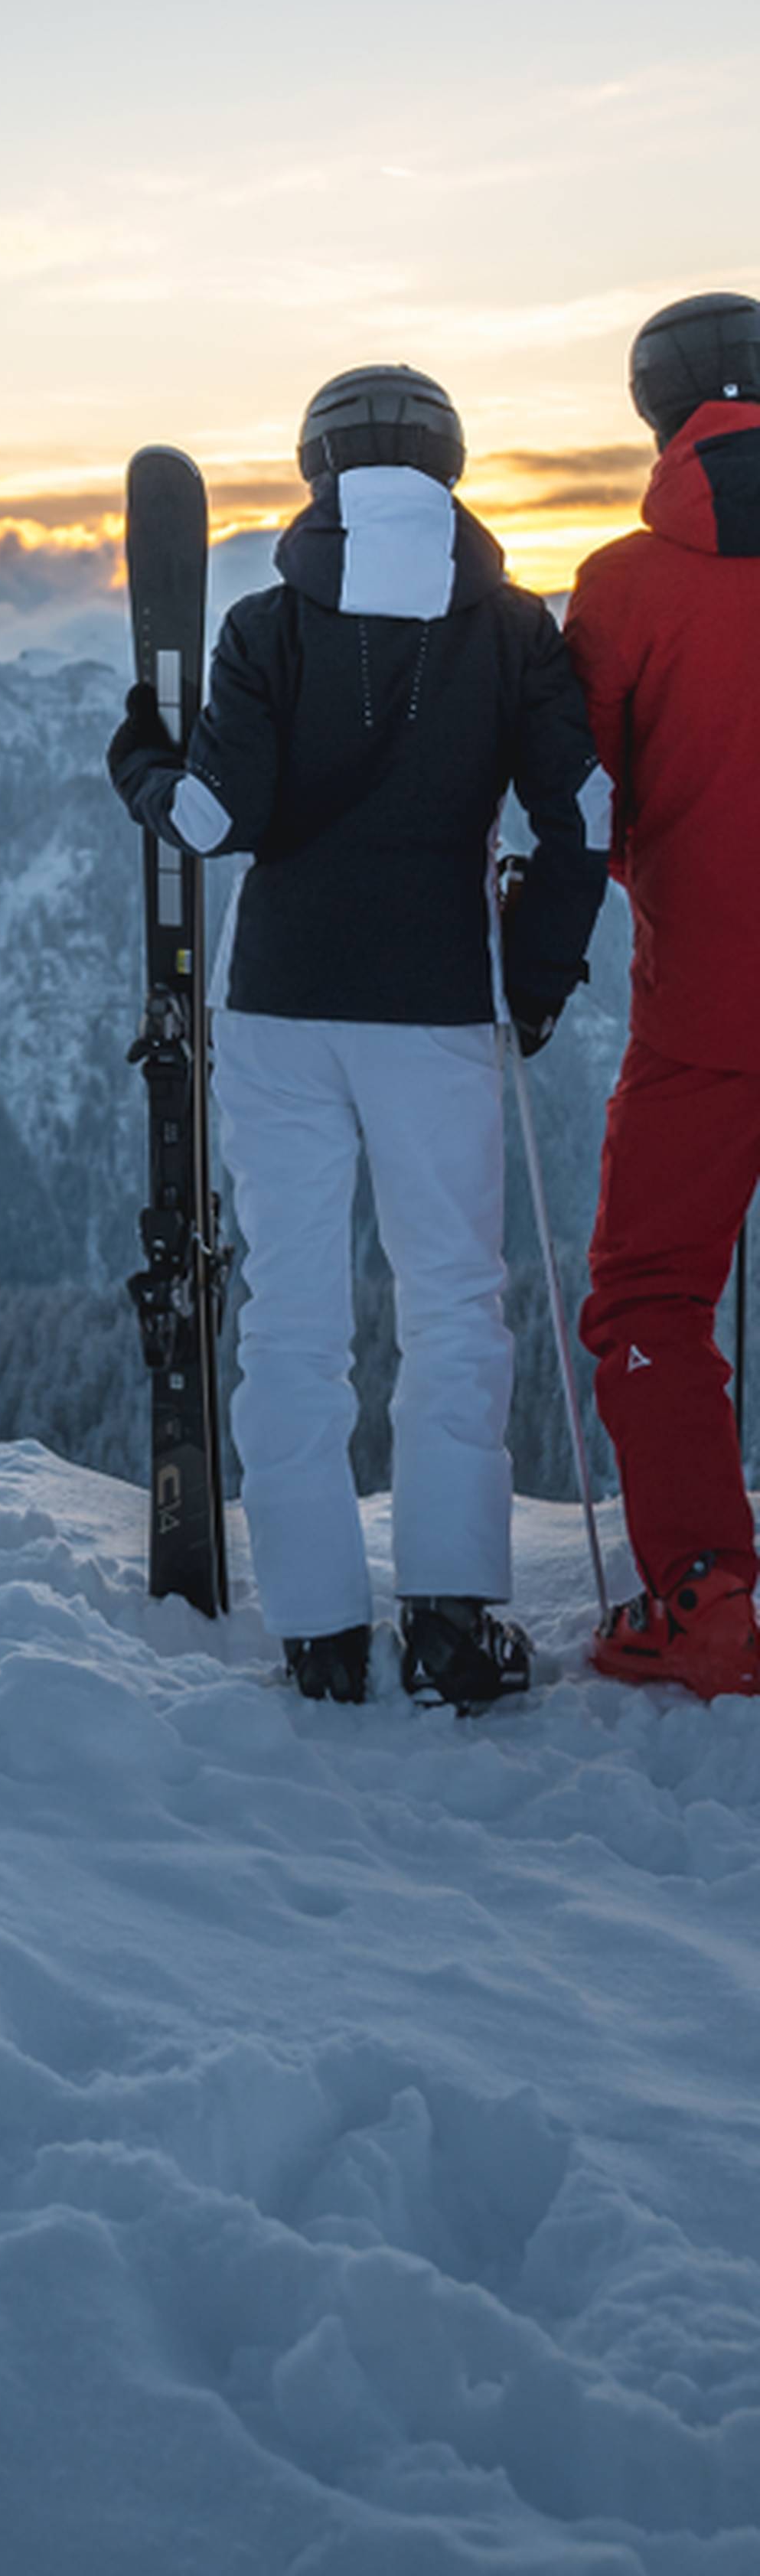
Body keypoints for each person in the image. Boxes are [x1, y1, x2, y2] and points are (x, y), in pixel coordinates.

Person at [109, 365, 608, 1711]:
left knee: (294, 1319)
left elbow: (215, 823)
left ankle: (320, 1631)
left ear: (315, 468)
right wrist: (544, 967)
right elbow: (584, 811)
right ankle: (452, 1617)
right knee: (454, 1306)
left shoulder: (269, 625)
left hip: (277, 1004)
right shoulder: (512, 628)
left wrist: (138, 762)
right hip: (438, 1006)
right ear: (451, 468)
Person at [566, 290, 760, 1700]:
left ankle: (706, 1601)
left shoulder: (627, 585)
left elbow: (585, 799)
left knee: (651, 1295)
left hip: (711, 1011)